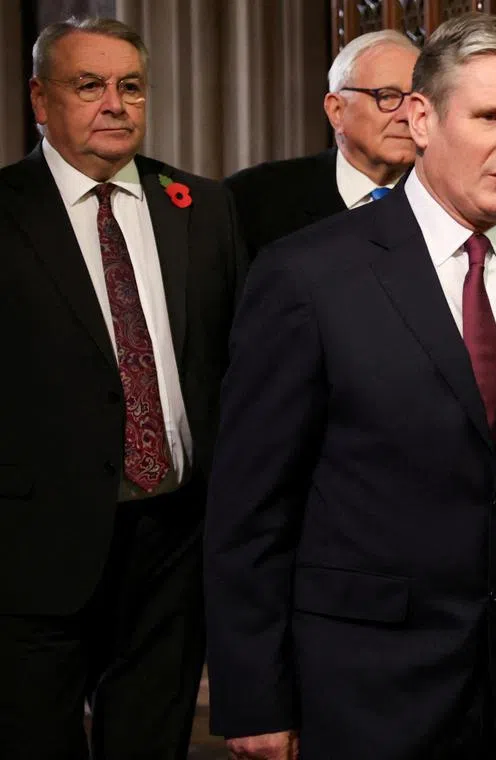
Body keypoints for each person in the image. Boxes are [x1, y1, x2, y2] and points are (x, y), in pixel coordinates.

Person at [205, 13, 496, 760]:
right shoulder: (307, 275)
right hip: (362, 690)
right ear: (421, 118)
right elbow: (251, 505)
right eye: (490, 117)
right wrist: (253, 694)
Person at [0, 17, 246, 760]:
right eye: (90, 86)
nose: (115, 103)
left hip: (173, 544)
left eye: (130, 86)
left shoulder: (201, 207)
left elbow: (233, 363)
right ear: (42, 101)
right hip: (33, 553)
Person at [226, 31, 419, 258]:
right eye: (387, 96)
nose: (407, 115)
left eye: (417, 100)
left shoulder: (449, 200)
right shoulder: (254, 199)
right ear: (336, 111)